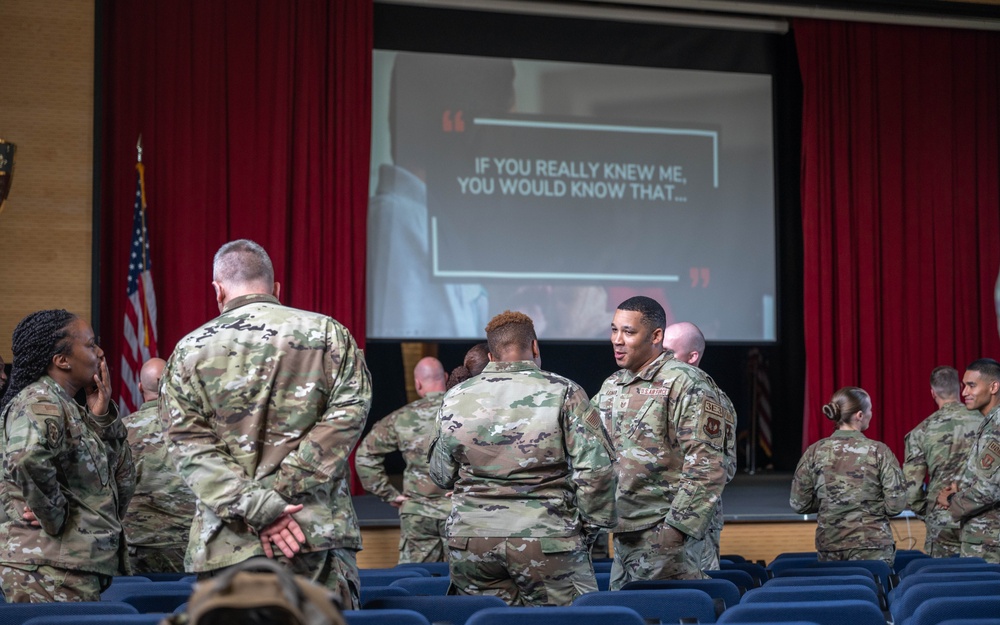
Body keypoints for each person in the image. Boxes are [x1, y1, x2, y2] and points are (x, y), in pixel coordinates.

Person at [160, 239, 372, 609]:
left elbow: (188, 447)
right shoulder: (328, 335)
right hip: (311, 535)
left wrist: (260, 506)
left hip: (229, 543)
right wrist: (280, 494)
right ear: (275, 288)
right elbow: (348, 416)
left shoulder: (188, 351)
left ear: (218, 289)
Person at [430, 311, 616, 606]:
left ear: (491, 355)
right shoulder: (564, 392)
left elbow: (441, 475)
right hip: (548, 540)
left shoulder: (454, 397)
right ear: (535, 347)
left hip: (472, 543)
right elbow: (596, 471)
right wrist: (588, 529)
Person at [367, 53, 514, 339]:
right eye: (502, 124)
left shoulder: (430, 218)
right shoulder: (400, 222)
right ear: (462, 125)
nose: (506, 144)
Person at [594, 297, 729, 587]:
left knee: (665, 615)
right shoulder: (612, 384)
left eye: (628, 332)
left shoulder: (687, 383)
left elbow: (709, 467)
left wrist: (675, 531)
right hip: (623, 532)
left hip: (664, 536)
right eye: (614, 330)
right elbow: (588, 445)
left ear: (656, 336)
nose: (617, 340)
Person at [0, 309, 134, 602]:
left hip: (65, 564)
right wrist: (54, 515)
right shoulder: (41, 400)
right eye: (90, 344)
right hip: (48, 566)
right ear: (61, 360)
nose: (100, 352)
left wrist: (100, 416)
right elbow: (26, 457)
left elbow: (114, 479)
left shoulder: (68, 406)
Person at [790, 386, 906, 566]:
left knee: (838, 594)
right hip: (873, 546)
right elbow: (896, 505)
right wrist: (870, 506)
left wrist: (831, 503)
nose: (871, 414)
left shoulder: (814, 452)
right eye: (870, 410)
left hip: (831, 545)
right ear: (859, 415)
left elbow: (799, 504)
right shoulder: (879, 451)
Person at [355, 357, 452, 563]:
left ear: (417, 383)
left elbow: (365, 455)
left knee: (419, 582)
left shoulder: (401, 417)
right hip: (459, 512)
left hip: (417, 513)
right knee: (465, 583)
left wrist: (388, 494)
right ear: (446, 378)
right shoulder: (465, 414)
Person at [662, 321, 737, 571]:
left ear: (692, 356)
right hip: (652, 518)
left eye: (669, 352)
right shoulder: (652, 391)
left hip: (693, 524)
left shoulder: (710, 398)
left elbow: (724, 467)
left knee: (696, 597)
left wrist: (679, 523)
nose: (662, 358)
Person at [123, 357, 197, 572]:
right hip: (185, 544)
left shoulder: (119, 431)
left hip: (136, 545)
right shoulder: (196, 428)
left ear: (139, 388)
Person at [902, 366, 982, 556]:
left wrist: (929, 512)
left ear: (933, 392)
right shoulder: (986, 423)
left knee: (943, 579)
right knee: (985, 580)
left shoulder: (921, 432)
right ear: (959, 388)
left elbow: (912, 489)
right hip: (982, 517)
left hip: (941, 519)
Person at [936, 358, 1000, 562]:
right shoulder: (989, 422)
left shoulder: (996, 427)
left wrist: (952, 501)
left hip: (989, 540)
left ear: (994, 387)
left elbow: (988, 490)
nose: (964, 393)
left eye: (971, 386)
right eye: (964, 386)